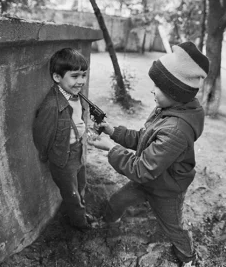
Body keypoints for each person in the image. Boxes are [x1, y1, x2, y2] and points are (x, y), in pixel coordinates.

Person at [88, 41, 209, 267]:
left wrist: (110, 148)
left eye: (158, 87)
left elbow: (142, 169)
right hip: (148, 179)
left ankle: (189, 258)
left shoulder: (176, 130)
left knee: (174, 227)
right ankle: (108, 221)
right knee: (117, 201)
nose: (152, 90)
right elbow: (143, 140)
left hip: (166, 189)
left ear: (175, 92)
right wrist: (114, 132)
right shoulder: (165, 110)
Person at [32, 47, 95, 230]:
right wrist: (46, 156)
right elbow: (42, 135)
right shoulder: (52, 106)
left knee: (81, 184)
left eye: (83, 75)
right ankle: (80, 223)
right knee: (72, 193)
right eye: (75, 76)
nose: (81, 81)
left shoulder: (77, 96)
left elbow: (79, 119)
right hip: (63, 158)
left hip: (79, 150)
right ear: (57, 77)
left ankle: (82, 212)